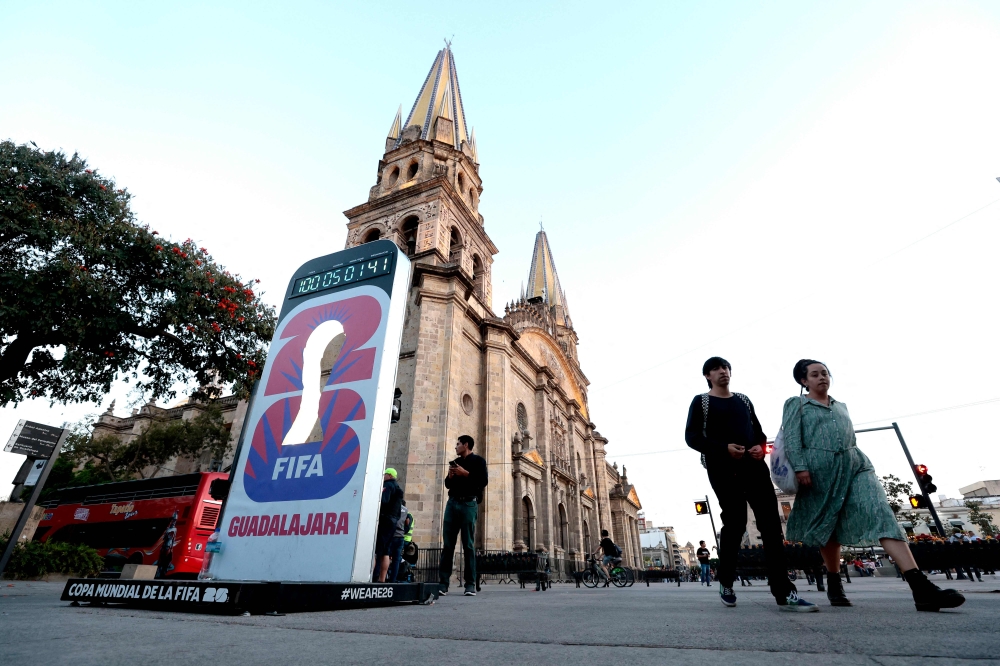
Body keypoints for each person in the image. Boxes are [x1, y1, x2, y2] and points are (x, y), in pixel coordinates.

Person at [781, 359, 965, 612]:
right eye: (814, 375)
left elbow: (851, 437)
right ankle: (834, 582)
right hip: (819, 472)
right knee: (828, 527)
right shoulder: (797, 404)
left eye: (825, 373)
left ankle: (920, 587)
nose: (822, 377)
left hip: (856, 466)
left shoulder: (840, 405)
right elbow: (792, 437)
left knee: (881, 512)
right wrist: (801, 467)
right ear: (804, 381)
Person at [685, 357, 815, 611]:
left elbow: (758, 431)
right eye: (716, 369)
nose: (722, 371)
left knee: (770, 525)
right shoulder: (701, 402)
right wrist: (724, 449)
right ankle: (726, 581)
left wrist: (759, 446)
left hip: (754, 468)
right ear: (707, 376)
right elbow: (692, 437)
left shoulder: (743, 400)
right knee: (735, 525)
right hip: (723, 470)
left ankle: (783, 591)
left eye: (725, 367)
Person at [439, 434, 487, 597]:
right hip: (452, 503)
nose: (456, 447)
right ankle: (443, 583)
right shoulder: (456, 462)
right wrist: (451, 476)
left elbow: (483, 481)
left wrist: (464, 473)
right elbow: (447, 484)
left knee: (468, 545)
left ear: (466, 445)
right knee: (448, 545)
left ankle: (470, 584)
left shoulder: (479, 461)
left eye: (458, 444)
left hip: (468, 504)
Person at [374, 468, 404, 582]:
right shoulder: (398, 489)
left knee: (376, 551)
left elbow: (383, 501)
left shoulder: (387, 485)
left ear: (390, 475)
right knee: (386, 552)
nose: (383, 476)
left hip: (385, 519)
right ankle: (382, 580)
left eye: (385, 474)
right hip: (393, 522)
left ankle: (371, 577)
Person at [387, 500, 410, 583]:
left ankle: (385, 577)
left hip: (392, 535)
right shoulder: (405, 509)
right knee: (396, 560)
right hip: (401, 536)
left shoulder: (392, 507)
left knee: (387, 556)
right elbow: (407, 522)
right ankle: (393, 579)